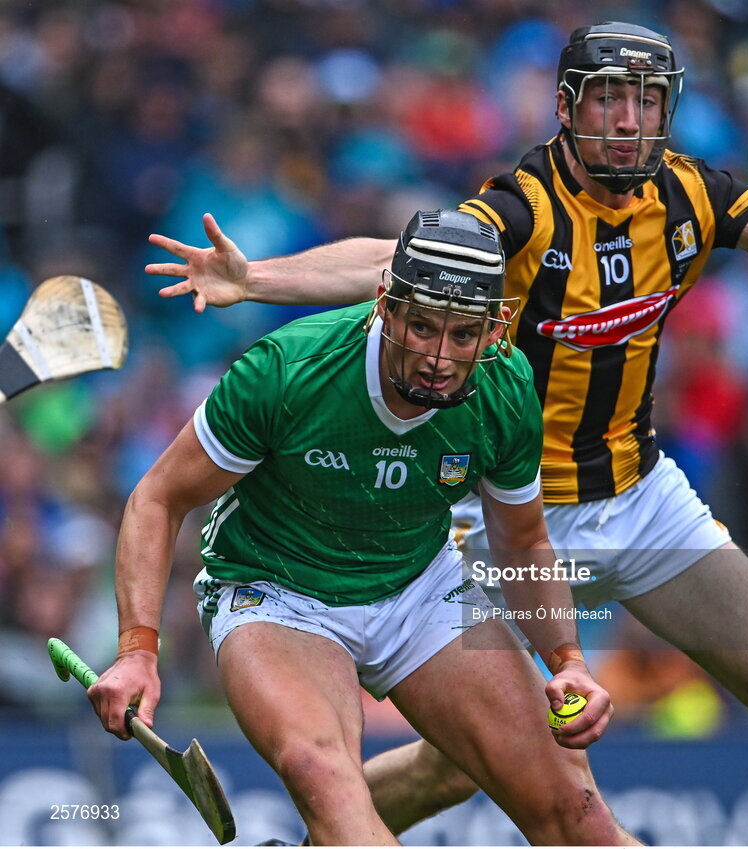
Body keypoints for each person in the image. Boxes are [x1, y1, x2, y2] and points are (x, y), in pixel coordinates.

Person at [146, 22, 748, 845]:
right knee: (469, 767)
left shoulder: (688, 194)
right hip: (509, 519)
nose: (628, 118)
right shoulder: (520, 207)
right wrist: (257, 276)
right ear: (566, 106)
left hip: (640, 496)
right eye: (607, 97)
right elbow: (400, 258)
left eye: (645, 98)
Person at [89, 209, 639, 846]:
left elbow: (522, 540)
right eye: (423, 326)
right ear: (385, 304)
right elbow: (156, 500)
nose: (438, 357)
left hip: (419, 586)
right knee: (325, 778)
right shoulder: (287, 371)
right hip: (276, 594)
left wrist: (568, 661)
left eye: (463, 335)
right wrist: (137, 652)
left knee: (578, 818)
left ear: (493, 330)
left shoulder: (506, 388)